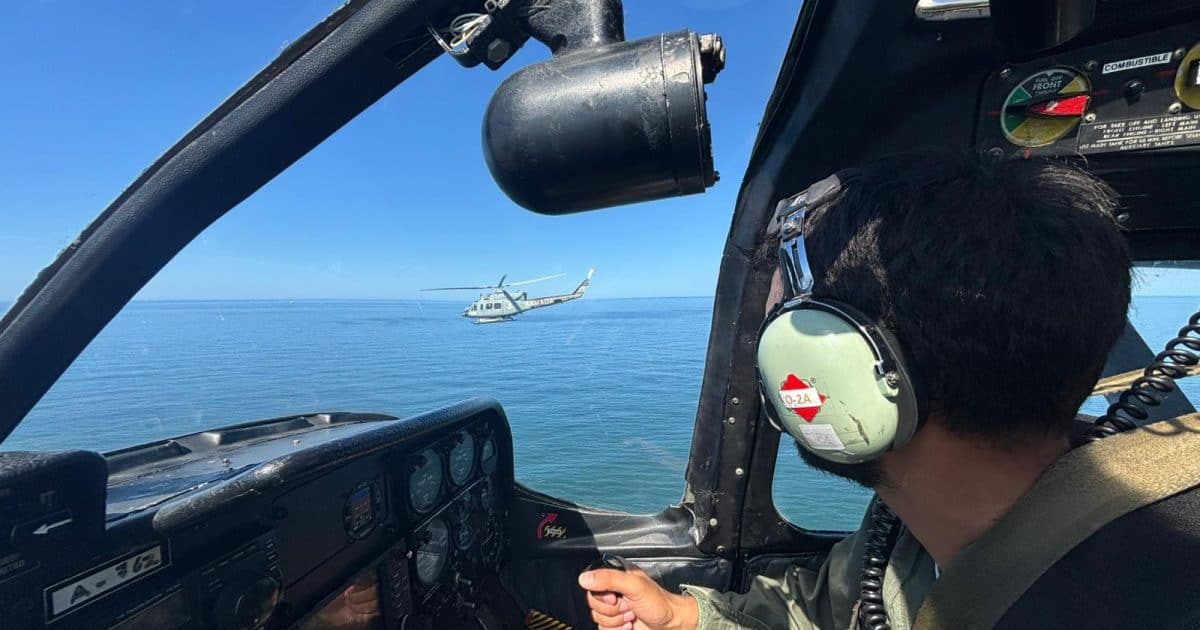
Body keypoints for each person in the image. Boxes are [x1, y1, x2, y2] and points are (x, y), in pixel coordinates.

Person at [577, 150, 1136, 629]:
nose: (765, 367)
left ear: (852, 363)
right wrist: (689, 618)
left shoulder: (1127, 599)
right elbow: (827, 614)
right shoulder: (909, 535)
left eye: (784, 331)